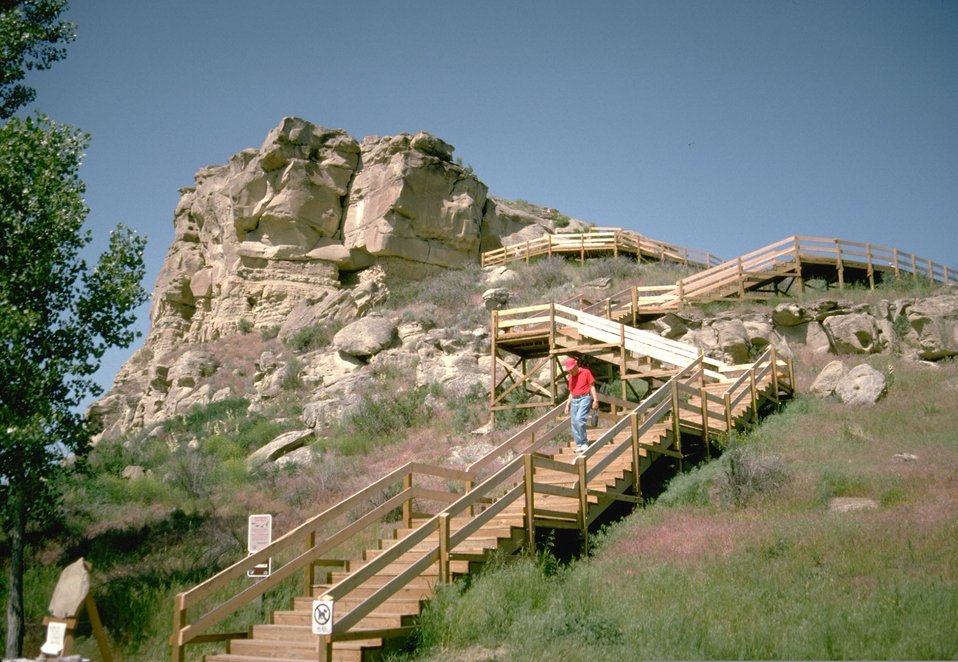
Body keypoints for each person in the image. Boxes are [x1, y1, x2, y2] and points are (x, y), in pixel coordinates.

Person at [562, 357, 598, 453]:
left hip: (585, 397)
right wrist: (567, 404)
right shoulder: (571, 378)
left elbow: (592, 386)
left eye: (571, 369)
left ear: (576, 366)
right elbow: (571, 392)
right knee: (574, 423)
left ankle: (584, 442)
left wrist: (595, 400)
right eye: (569, 370)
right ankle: (579, 444)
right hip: (574, 399)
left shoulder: (586, 372)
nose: (570, 371)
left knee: (579, 419)